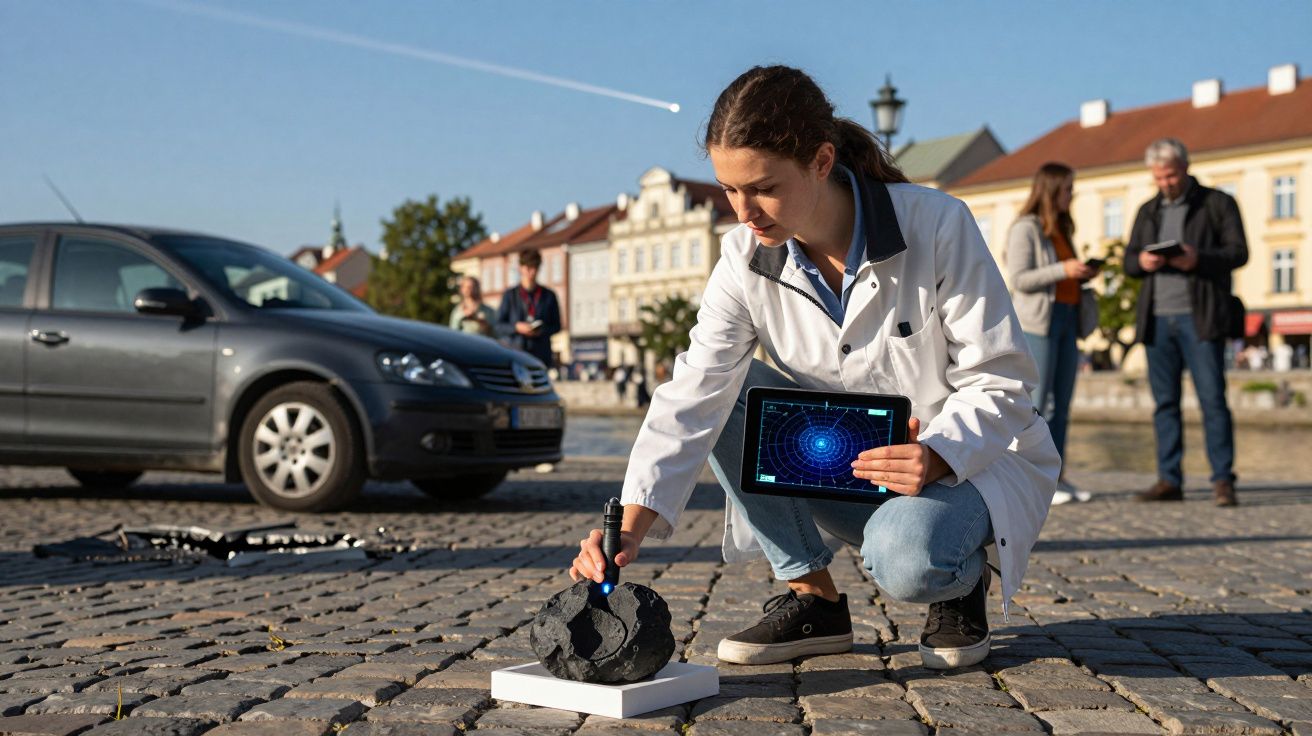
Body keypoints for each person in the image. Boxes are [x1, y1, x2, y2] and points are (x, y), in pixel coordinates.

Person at [567, 65, 1058, 670]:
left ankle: (960, 584)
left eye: (763, 187)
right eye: (728, 189)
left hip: (966, 466)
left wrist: (938, 453)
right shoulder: (744, 255)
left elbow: (1003, 378)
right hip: (845, 463)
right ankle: (813, 599)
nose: (744, 210)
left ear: (822, 162)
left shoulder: (936, 224)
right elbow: (693, 394)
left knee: (907, 557)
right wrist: (630, 528)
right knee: (727, 388)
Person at [1124, 138, 1247, 508]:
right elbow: (1128, 261)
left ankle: (1223, 480)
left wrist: (1198, 259)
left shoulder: (1217, 203)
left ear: (1186, 167)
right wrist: (1141, 263)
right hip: (1157, 319)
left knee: (1212, 400)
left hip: (1201, 317)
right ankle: (1169, 479)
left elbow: (1238, 252)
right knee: (1164, 403)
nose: (1166, 183)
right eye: (1159, 177)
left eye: (1171, 175)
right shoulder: (1148, 210)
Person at [1005, 163, 1100, 505]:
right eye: (1068, 189)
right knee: (1038, 405)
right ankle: (1033, 479)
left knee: (1062, 406)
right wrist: (1064, 269)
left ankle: (1057, 476)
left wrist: (1081, 273)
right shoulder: (1025, 228)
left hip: (1068, 318)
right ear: (1051, 189)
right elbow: (1019, 279)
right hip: (1039, 324)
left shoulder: (1062, 228)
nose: (1071, 195)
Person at [495, 249, 561, 368]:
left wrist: (541, 330)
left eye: (535, 268)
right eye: (529, 268)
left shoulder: (549, 296)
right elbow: (498, 325)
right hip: (515, 352)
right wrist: (516, 327)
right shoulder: (510, 295)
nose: (532, 272)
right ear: (521, 268)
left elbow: (557, 326)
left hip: (540, 354)